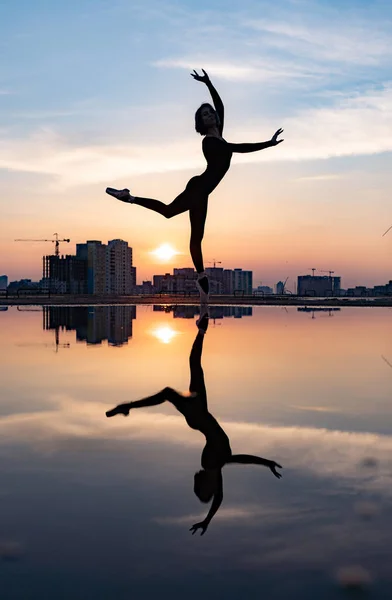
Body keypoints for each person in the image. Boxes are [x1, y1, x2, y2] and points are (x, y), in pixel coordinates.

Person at [106, 69, 284, 302]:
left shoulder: (220, 136)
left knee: (186, 228)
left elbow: (221, 105)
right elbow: (238, 148)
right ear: (200, 122)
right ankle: (129, 198)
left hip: (202, 191)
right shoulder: (210, 143)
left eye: (210, 112)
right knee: (177, 220)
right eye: (204, 115)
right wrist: (267, 144)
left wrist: (208, 83)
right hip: (199, 188)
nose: (209, 115)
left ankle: (200, 279)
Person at [105, 314, 283, 535]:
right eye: (198, 485)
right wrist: (267, 463)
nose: (195, 479)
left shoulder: (216, 465)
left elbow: (229, 479)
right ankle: (201, 331)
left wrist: (208, 519)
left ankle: (201, 332)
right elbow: (230, 478)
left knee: (179, 382)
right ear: (206, 485)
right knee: (188, 372)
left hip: (199, 416)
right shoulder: (217, 465)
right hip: (199, 415)